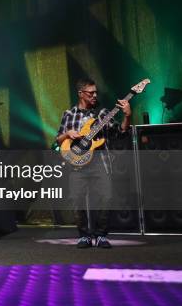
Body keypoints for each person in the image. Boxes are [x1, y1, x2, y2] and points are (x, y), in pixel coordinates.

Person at [56, 78, 131, 249]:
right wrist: (68, 134)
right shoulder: (69, 114)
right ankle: (84, 236)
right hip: (76, 163)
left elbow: (120, 133)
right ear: (81, 93)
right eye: (91, 93)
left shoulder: (103, 114)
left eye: (96, 92)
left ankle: (101, 235)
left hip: (100, 163)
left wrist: (127, 115)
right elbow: (58, 140)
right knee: (76, 200)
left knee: (106, 198)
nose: (95, 95)